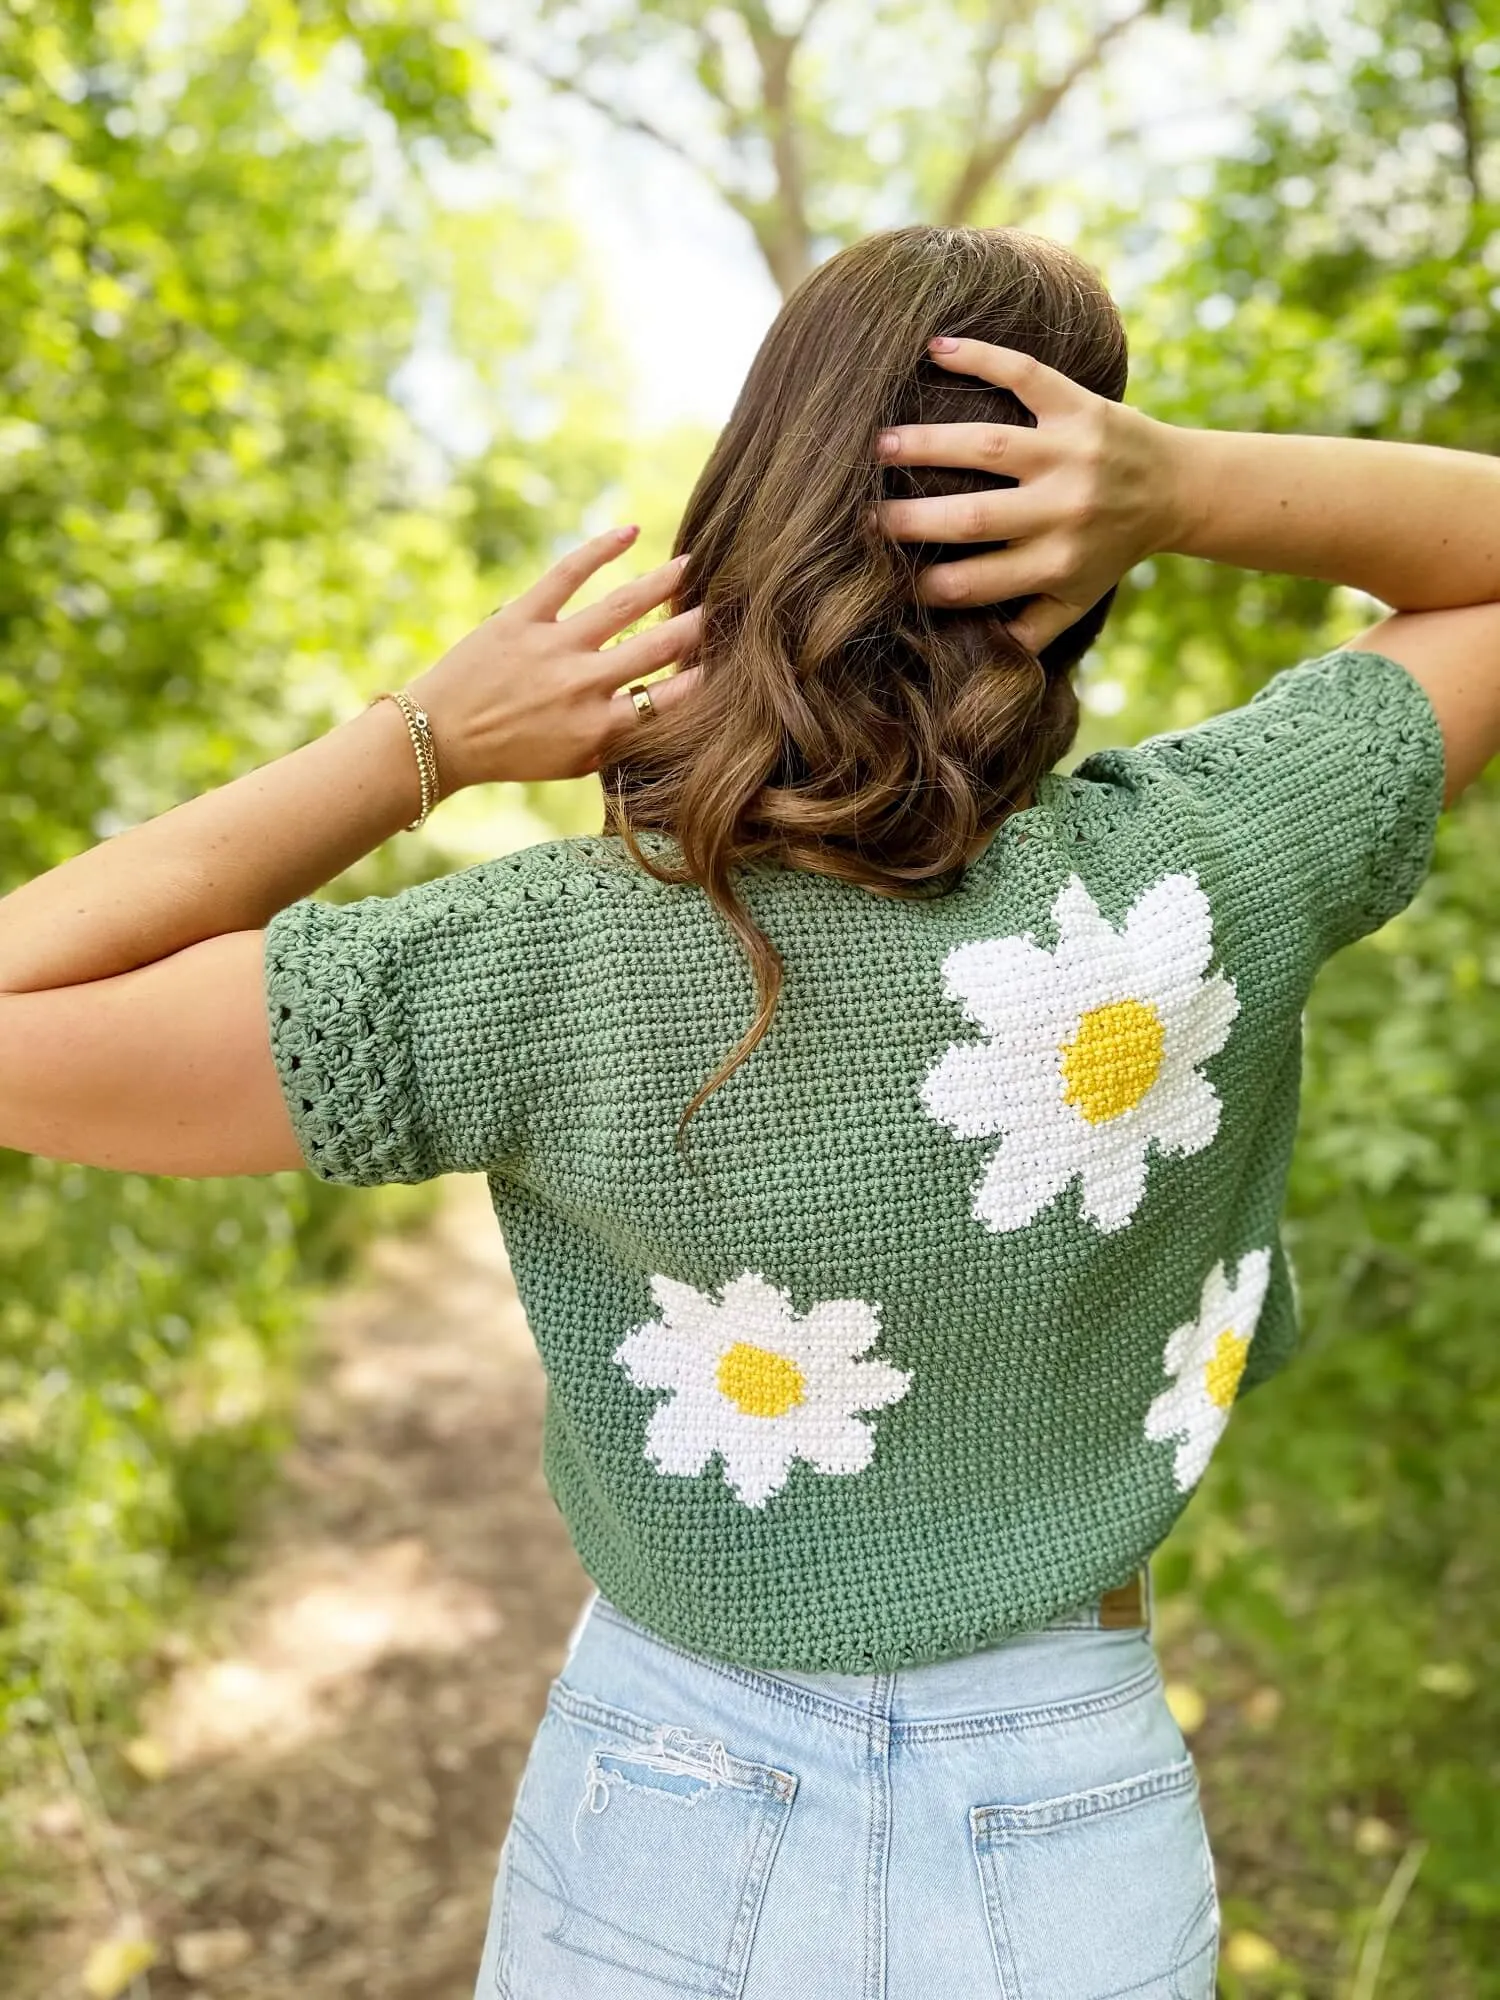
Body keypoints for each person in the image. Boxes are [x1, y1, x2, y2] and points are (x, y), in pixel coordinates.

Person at [3, 223, 1497, 1998]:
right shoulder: (1216, 867)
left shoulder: (543, 960)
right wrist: (1191, 487)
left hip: (662, 1800)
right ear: (1083, 548)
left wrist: (422, 741)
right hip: (1074, 1823)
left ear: (750, 500)